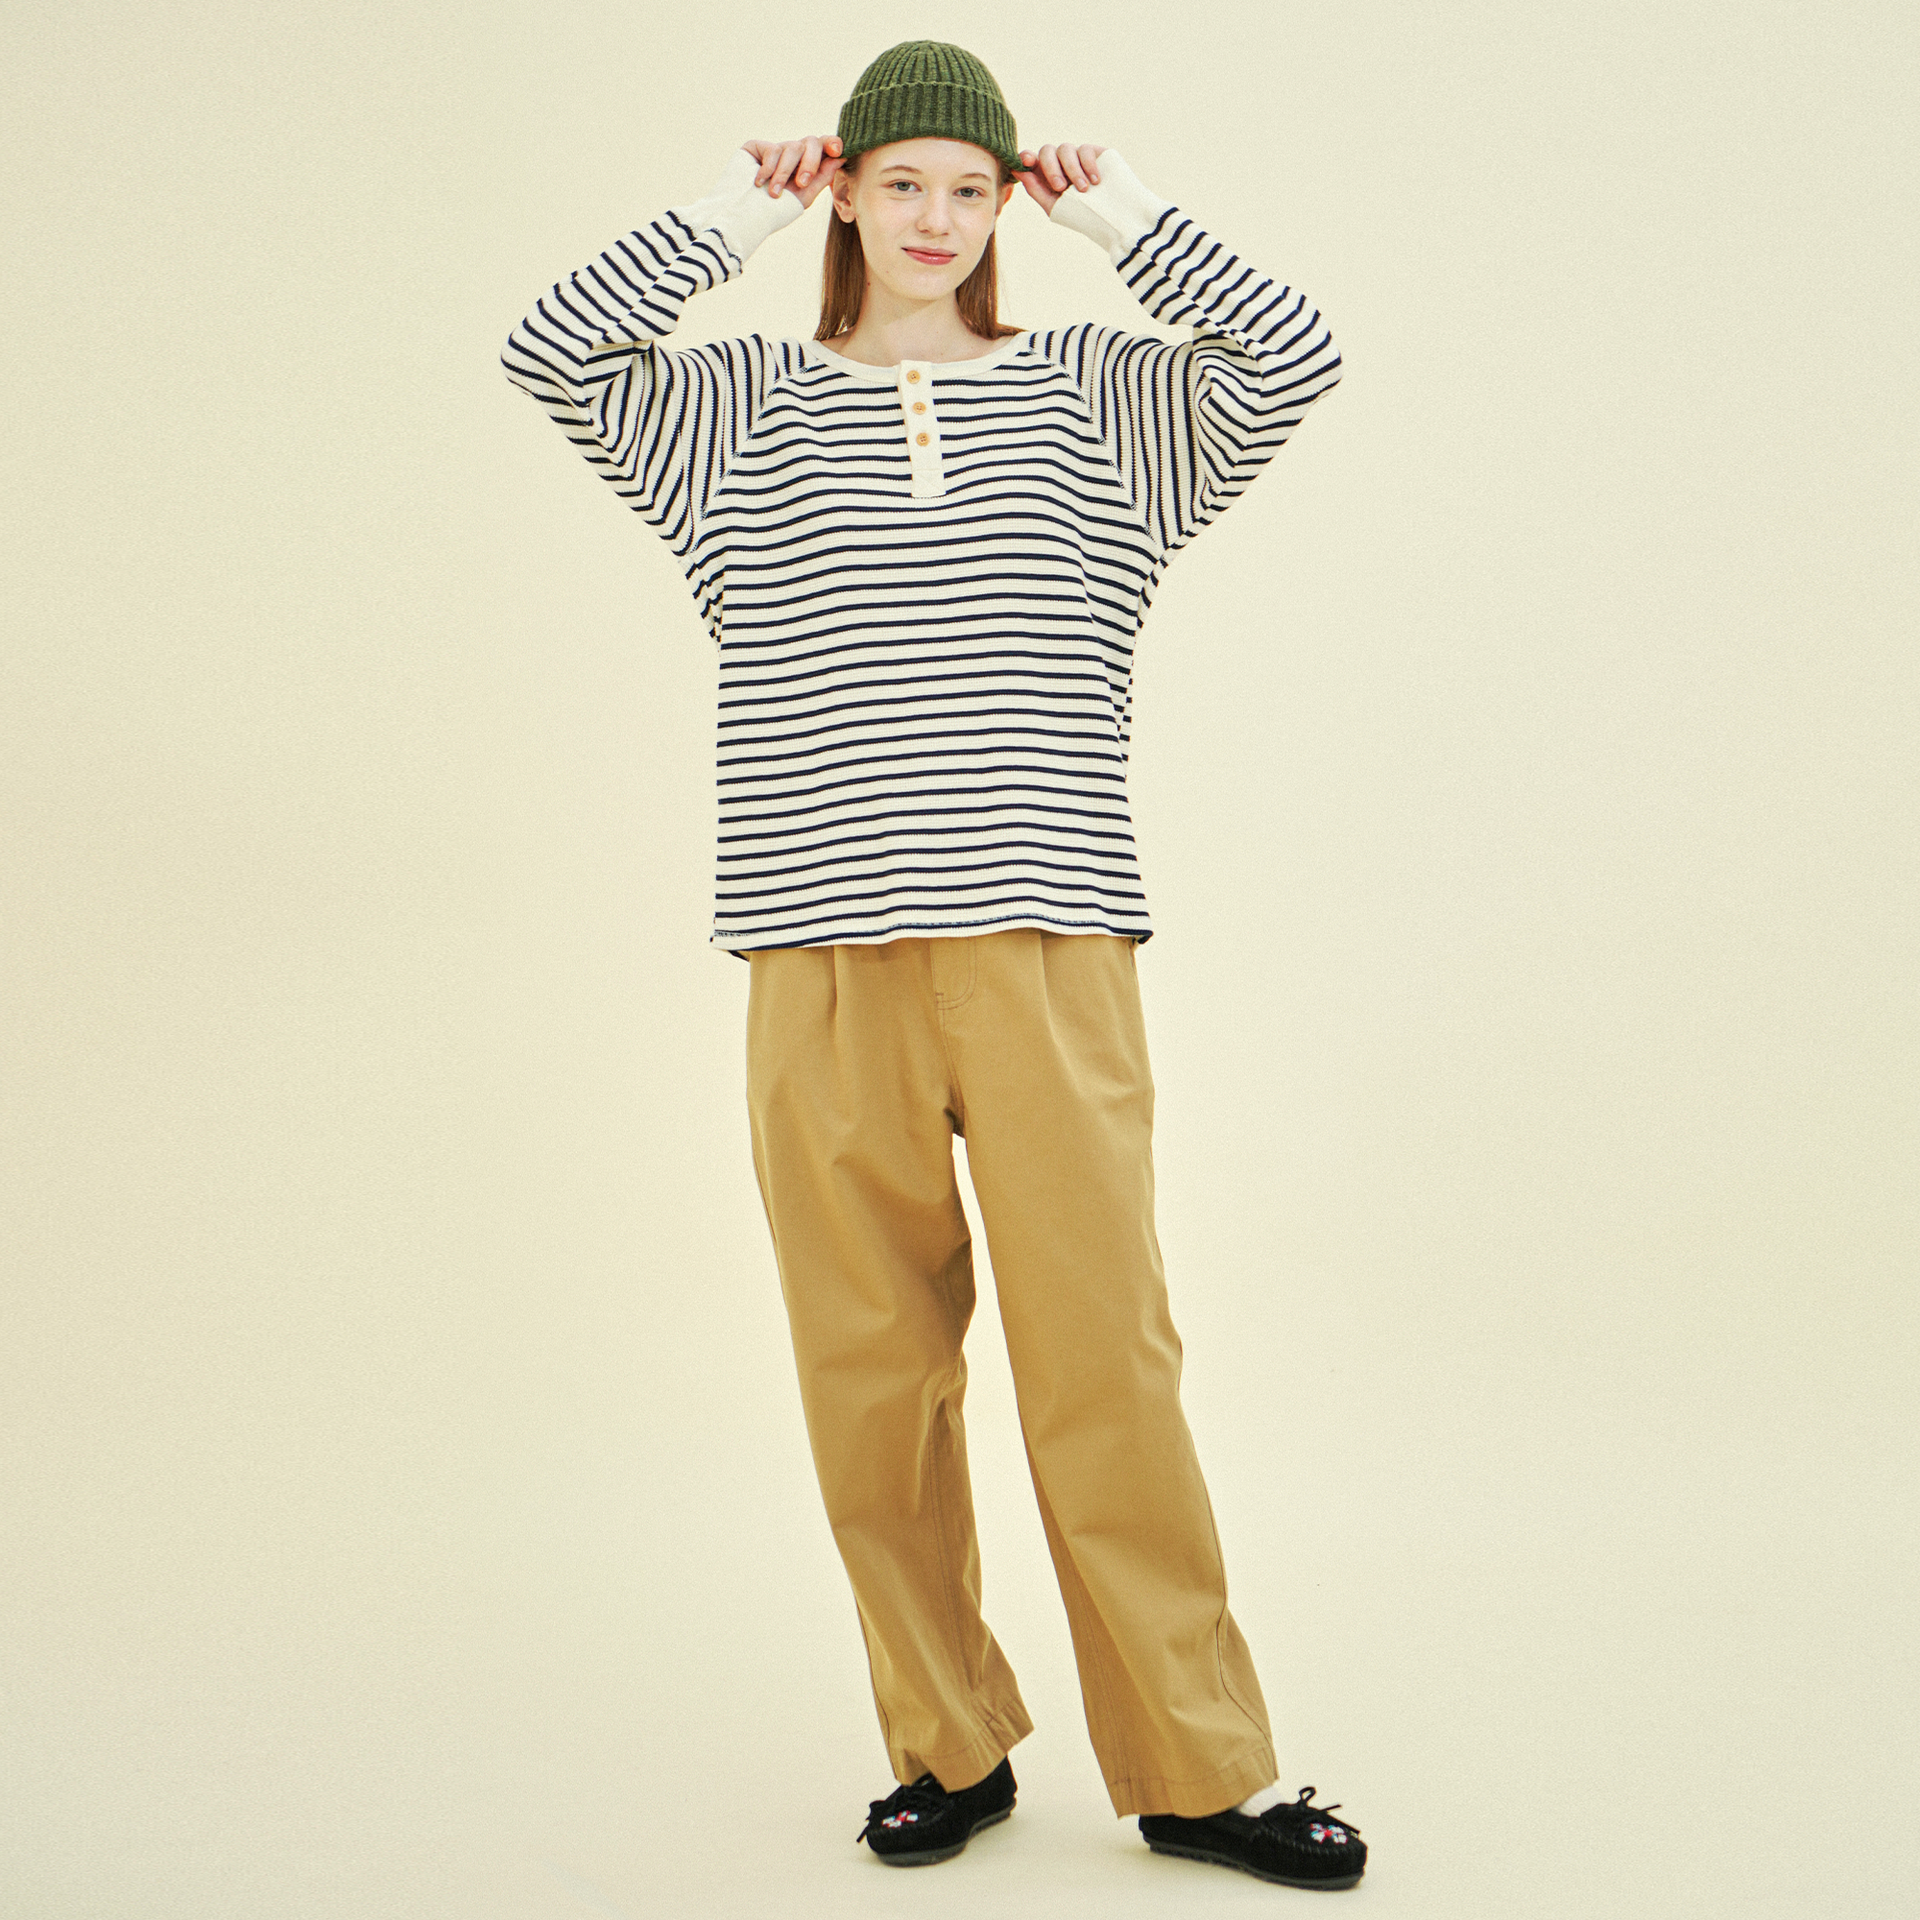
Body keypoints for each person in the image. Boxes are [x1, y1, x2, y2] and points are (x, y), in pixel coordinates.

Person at [503, 38, 1361, 1893]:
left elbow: (1293, 356)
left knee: (1105, 1361)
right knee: (870, 1375)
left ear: (1003, 205)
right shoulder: (732, 411)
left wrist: (1120, 210)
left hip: (1047, 942)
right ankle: (946, 1742)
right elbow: (553, 351)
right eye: (902, 181)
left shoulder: (1101, 401)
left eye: (970, 187)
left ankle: (1202, 1766)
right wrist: (728, 212)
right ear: (846, 192)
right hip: (819, 955)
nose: (937, 218)